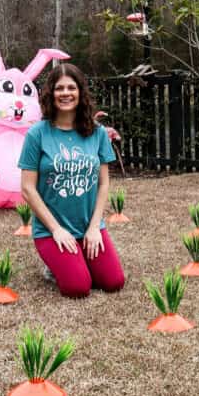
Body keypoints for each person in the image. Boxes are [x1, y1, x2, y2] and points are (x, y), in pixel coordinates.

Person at [18, 63, 126, 298]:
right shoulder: (37, 134)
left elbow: (104, 183)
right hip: (52, 231)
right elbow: (27, 189)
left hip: (89, 226)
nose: (65, 93)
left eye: (71, 87)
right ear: (51, 93)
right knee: (78, 288)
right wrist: (56, 230)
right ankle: (55, 266)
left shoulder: (96, 133)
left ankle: (78, 257)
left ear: (80, 92)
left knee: (113, 282)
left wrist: (95, 227)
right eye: (59, 88)